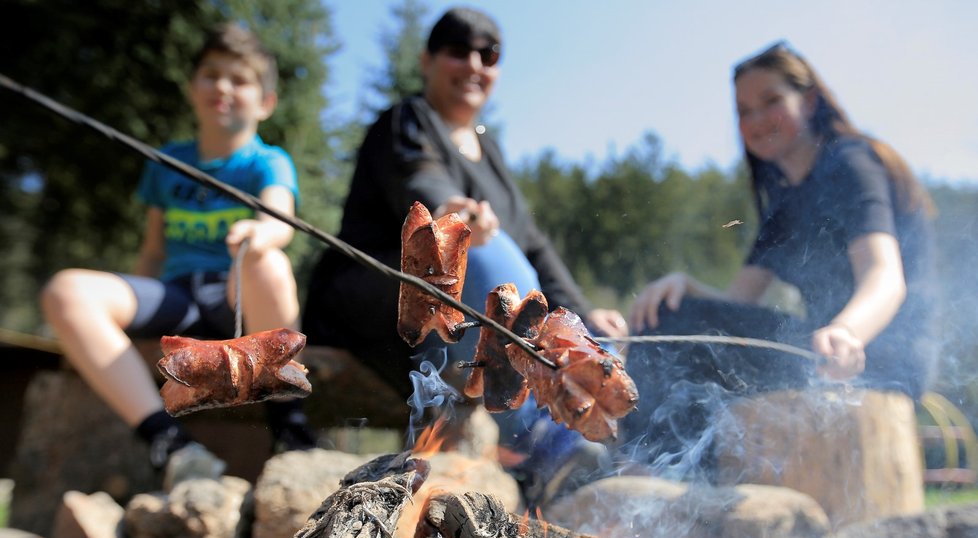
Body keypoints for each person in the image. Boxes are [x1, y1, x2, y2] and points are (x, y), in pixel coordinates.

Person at [302, 7, 627, 499]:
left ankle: (605, 444)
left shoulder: (488, 150)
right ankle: (529, 438)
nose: (474, 64)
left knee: (595, 332)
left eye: (488, 54)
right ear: (427, 60)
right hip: (375, 295)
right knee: (484, 261)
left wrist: (583, 313)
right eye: (458, 50)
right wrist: (450, 211)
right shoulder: (407, 121)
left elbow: (534, 242)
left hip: (455, 316)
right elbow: (419, 181)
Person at [622, 41, 938, 477]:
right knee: (670, 315)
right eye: (743, 110)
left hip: (878, 356)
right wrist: (684, 287)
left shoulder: (849, 162)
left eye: (771, 101)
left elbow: (885, 276)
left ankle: (650, 474)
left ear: (808, 101)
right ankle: (676, 476)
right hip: (820, 353)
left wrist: (848, 332)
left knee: (677, 326)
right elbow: (734, 310)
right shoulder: (783, 208)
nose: (755, 120)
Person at [40, 22, 317, 488]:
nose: (223, 87)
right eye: (211, 74)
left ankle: (287, 420)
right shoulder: (166, 162)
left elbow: (278, 220)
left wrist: (258, 234)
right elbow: (153, 251)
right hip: (176, 299)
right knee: (66, 290)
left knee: (266, 262)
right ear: (193, 87)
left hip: (237, 297)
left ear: (265, 102)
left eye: (240, 79)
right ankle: (168, 441)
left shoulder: (266, 162)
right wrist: (122, 319)